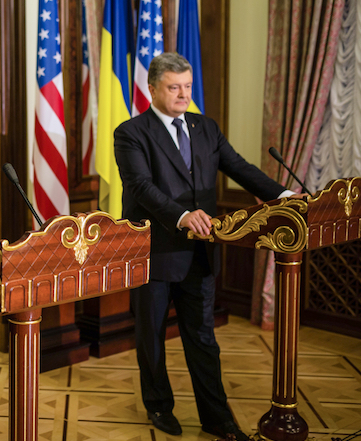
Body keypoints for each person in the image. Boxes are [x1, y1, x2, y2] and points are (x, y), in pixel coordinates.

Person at [114, 52, 295, 441]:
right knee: (152, 338)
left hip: (200, 253)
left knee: (203, 339)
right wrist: (181, 216)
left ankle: (217, 417)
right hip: (154, 252)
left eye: (187, 87)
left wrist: (284, 195)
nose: (183, 94)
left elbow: (239, 168)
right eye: (174, 87)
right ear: (152, 89)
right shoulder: (131, 132)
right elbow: (141, 188)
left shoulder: (205, 127)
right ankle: (159, 405)